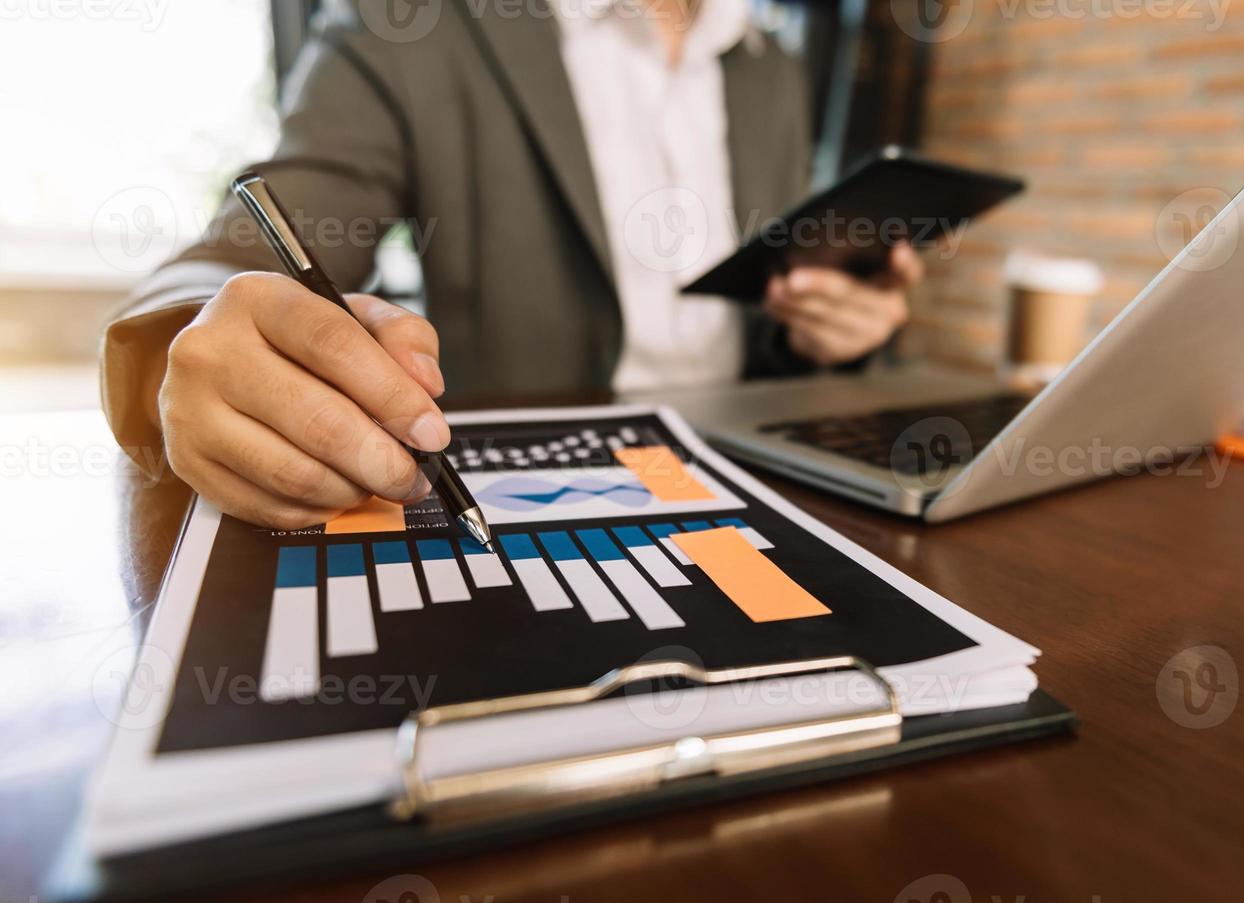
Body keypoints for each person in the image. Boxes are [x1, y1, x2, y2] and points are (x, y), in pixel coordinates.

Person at [100, 0, 923, 529]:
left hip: (747, 480)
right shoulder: (404, 27)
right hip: (535, 493)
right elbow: (228, 267)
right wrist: (189, 349)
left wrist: (829, 333)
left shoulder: (768, 64)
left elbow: (755, 315)